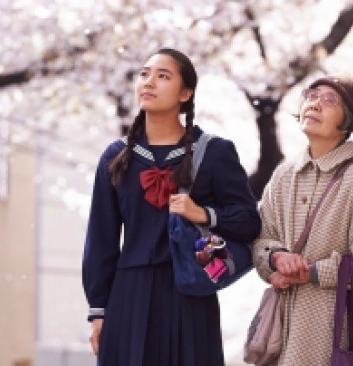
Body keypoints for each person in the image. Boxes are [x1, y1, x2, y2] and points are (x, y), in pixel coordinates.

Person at [82, 48, 261, 366]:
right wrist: (99, 311)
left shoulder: (215, 152)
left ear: (185, 93)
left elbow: (249, 221)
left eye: (163, 76)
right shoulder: (115, 157)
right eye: (144, 74)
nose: (148, 82)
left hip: (190, 292)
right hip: (128, 296)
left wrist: (204, 214)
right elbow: (101, 239)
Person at [251, 75, 353, 366]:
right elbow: (262, 238)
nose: (314, 104)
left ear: (347, 121)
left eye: (329, 100)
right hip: (284, 335)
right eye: (311, 95)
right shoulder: (283, 176)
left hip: (338, 336)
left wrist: (310, 271)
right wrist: (276, 258)